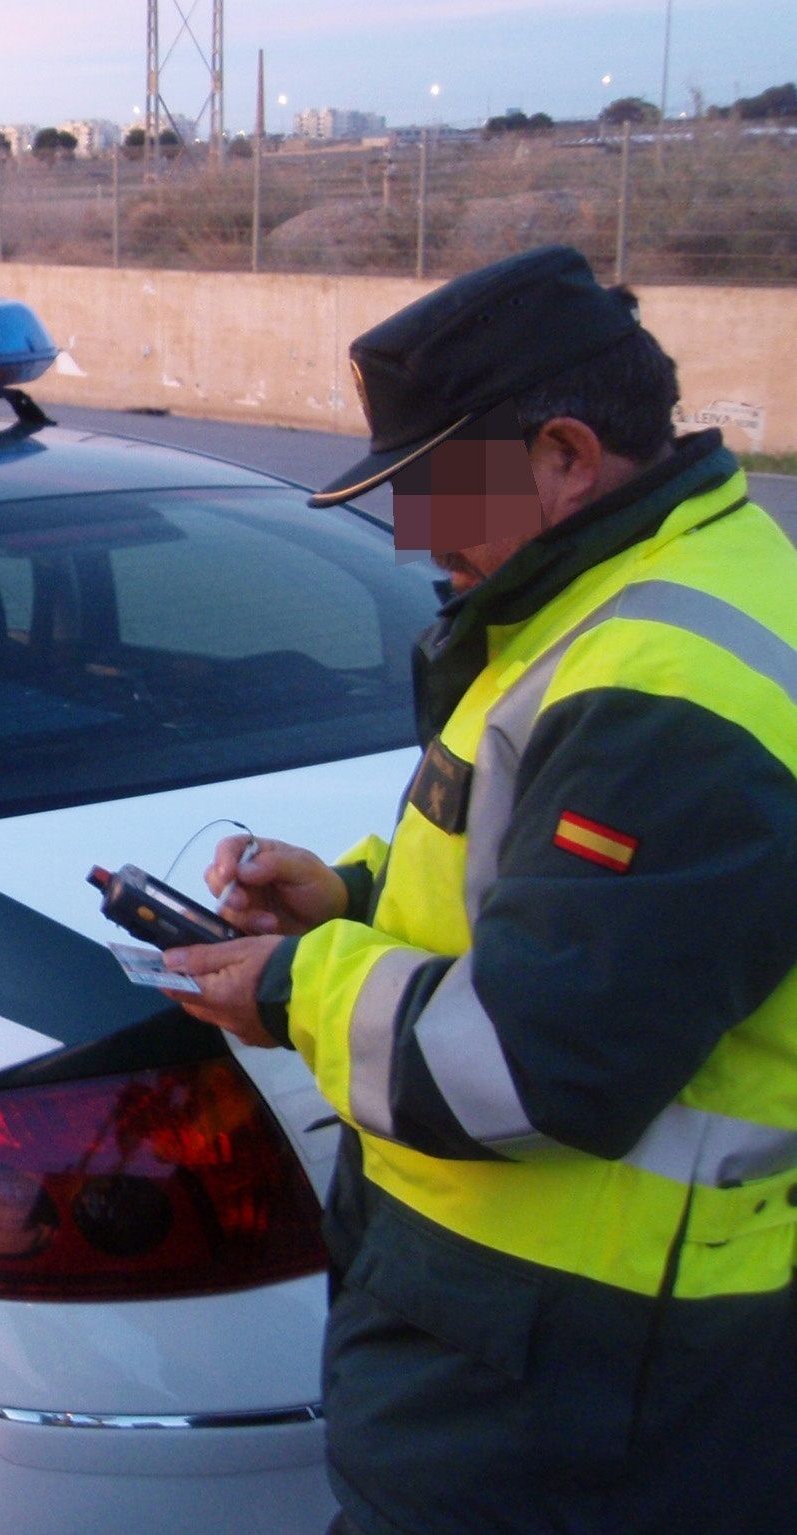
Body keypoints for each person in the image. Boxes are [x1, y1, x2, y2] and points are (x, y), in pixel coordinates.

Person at [165, 245, 797, 1535]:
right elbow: (537, 874)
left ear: (565, 455)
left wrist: (296, 984)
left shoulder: (667, 684)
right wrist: (346, 896)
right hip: (528, 1341)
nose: (414, 535)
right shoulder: (635, 603)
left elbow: (534, 1058)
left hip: (582, 1380)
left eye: (433, 490)